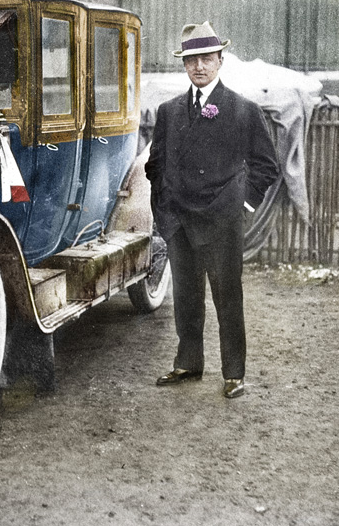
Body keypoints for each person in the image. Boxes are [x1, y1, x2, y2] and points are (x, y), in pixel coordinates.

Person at [144, 22, 278, 399]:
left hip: (221, 220)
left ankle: (234, 372)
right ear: (184, 65)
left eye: (206, 58)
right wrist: (165, 213)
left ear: (221, 60)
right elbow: (154, 166)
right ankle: (188, 363)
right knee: (186, 297)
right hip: (180, 222)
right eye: (191, 60)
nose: (199, 66)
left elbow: (268, 165)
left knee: (227, 298)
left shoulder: (243, 110)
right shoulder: (169, 112)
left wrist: (242, 204)